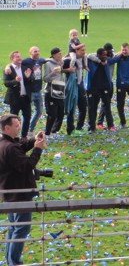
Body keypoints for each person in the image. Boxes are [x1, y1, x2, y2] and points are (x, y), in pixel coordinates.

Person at [0, 114, 46, 266]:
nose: (19, 127)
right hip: (19, 194)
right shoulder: (10, 147)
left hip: (9, 194)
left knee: (14, 229)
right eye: (16, 126)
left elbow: (19, 148)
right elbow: (26, 165)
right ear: (7, 128)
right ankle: (14, 262)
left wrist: (33, 141)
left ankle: (10, 261)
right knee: (21, 230)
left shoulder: (4, 143)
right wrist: (38, 149)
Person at [109, 43, 129, 129]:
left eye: (125, 49)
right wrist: (117, 56)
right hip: (121, 84)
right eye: (122, 50)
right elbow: (110, 62)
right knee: (120, 104)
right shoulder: (119, 57)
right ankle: (123, 122)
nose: (124, 51)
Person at [3, 51, 32, 140]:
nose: (20, 58)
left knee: (27, 117)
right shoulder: (9, 69)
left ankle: (24, 136)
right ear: (12, 59)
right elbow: (6, 83)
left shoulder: (24, 68)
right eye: (17, 57)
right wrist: (15, 81)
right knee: (13, 118)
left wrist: (28, 77)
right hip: (15, 98)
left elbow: (31, 80)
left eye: (20, 56)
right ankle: (11, 136)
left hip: (25, 97)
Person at [85, 48, 115, 132]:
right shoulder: (91, 61)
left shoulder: (106, 62)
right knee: (92, 108)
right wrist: (99, 61)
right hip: (93, 88)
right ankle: (91, 127)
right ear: (98, 55)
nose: (105, 56)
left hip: (104, 87)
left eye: (106, 55)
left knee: (107, 106)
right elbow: (88, 55)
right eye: (103, 55)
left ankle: (110, 125)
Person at [63, 45, 88, 135]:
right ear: (76, 51)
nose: (84, 52)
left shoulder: (83, 59)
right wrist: (68, 70)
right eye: (82, 50)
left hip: (80, 85)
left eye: (84, 50)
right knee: (71, 107)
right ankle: (70, 129)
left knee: (83, 106)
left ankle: (79, 127)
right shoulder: (68, 60)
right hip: (71, 86)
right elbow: (60, 69)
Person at [22, 47, 46, 135]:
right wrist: (8, 66)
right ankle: (24, 130)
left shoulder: (40, 60)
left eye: (38, 51)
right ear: (30, 53)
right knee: (27, 112)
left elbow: (50, 60)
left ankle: (30, 129)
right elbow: (15, 64)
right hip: (29, 92)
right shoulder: (26, 61)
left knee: (39, 111)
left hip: (38, 91)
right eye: (35, 51)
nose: (38, 53)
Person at [43, 48, 65, 137]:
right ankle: (47, 132)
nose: (61, 55)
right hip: (50, 90)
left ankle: (54, 130)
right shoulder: (48, 64)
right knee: (52, 114)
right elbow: (45, 79)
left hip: (59, 88)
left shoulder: (60, 62)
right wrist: (52, 73)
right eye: (59, 54)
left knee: (61, 112)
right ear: (54, 55)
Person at [95, 43, 115, 129]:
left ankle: (100, 123)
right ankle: (104, 123)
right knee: (105, 104)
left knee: (106, 103)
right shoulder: (107, 59)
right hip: (104, 84)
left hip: (109, 82)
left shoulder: (110, 57)